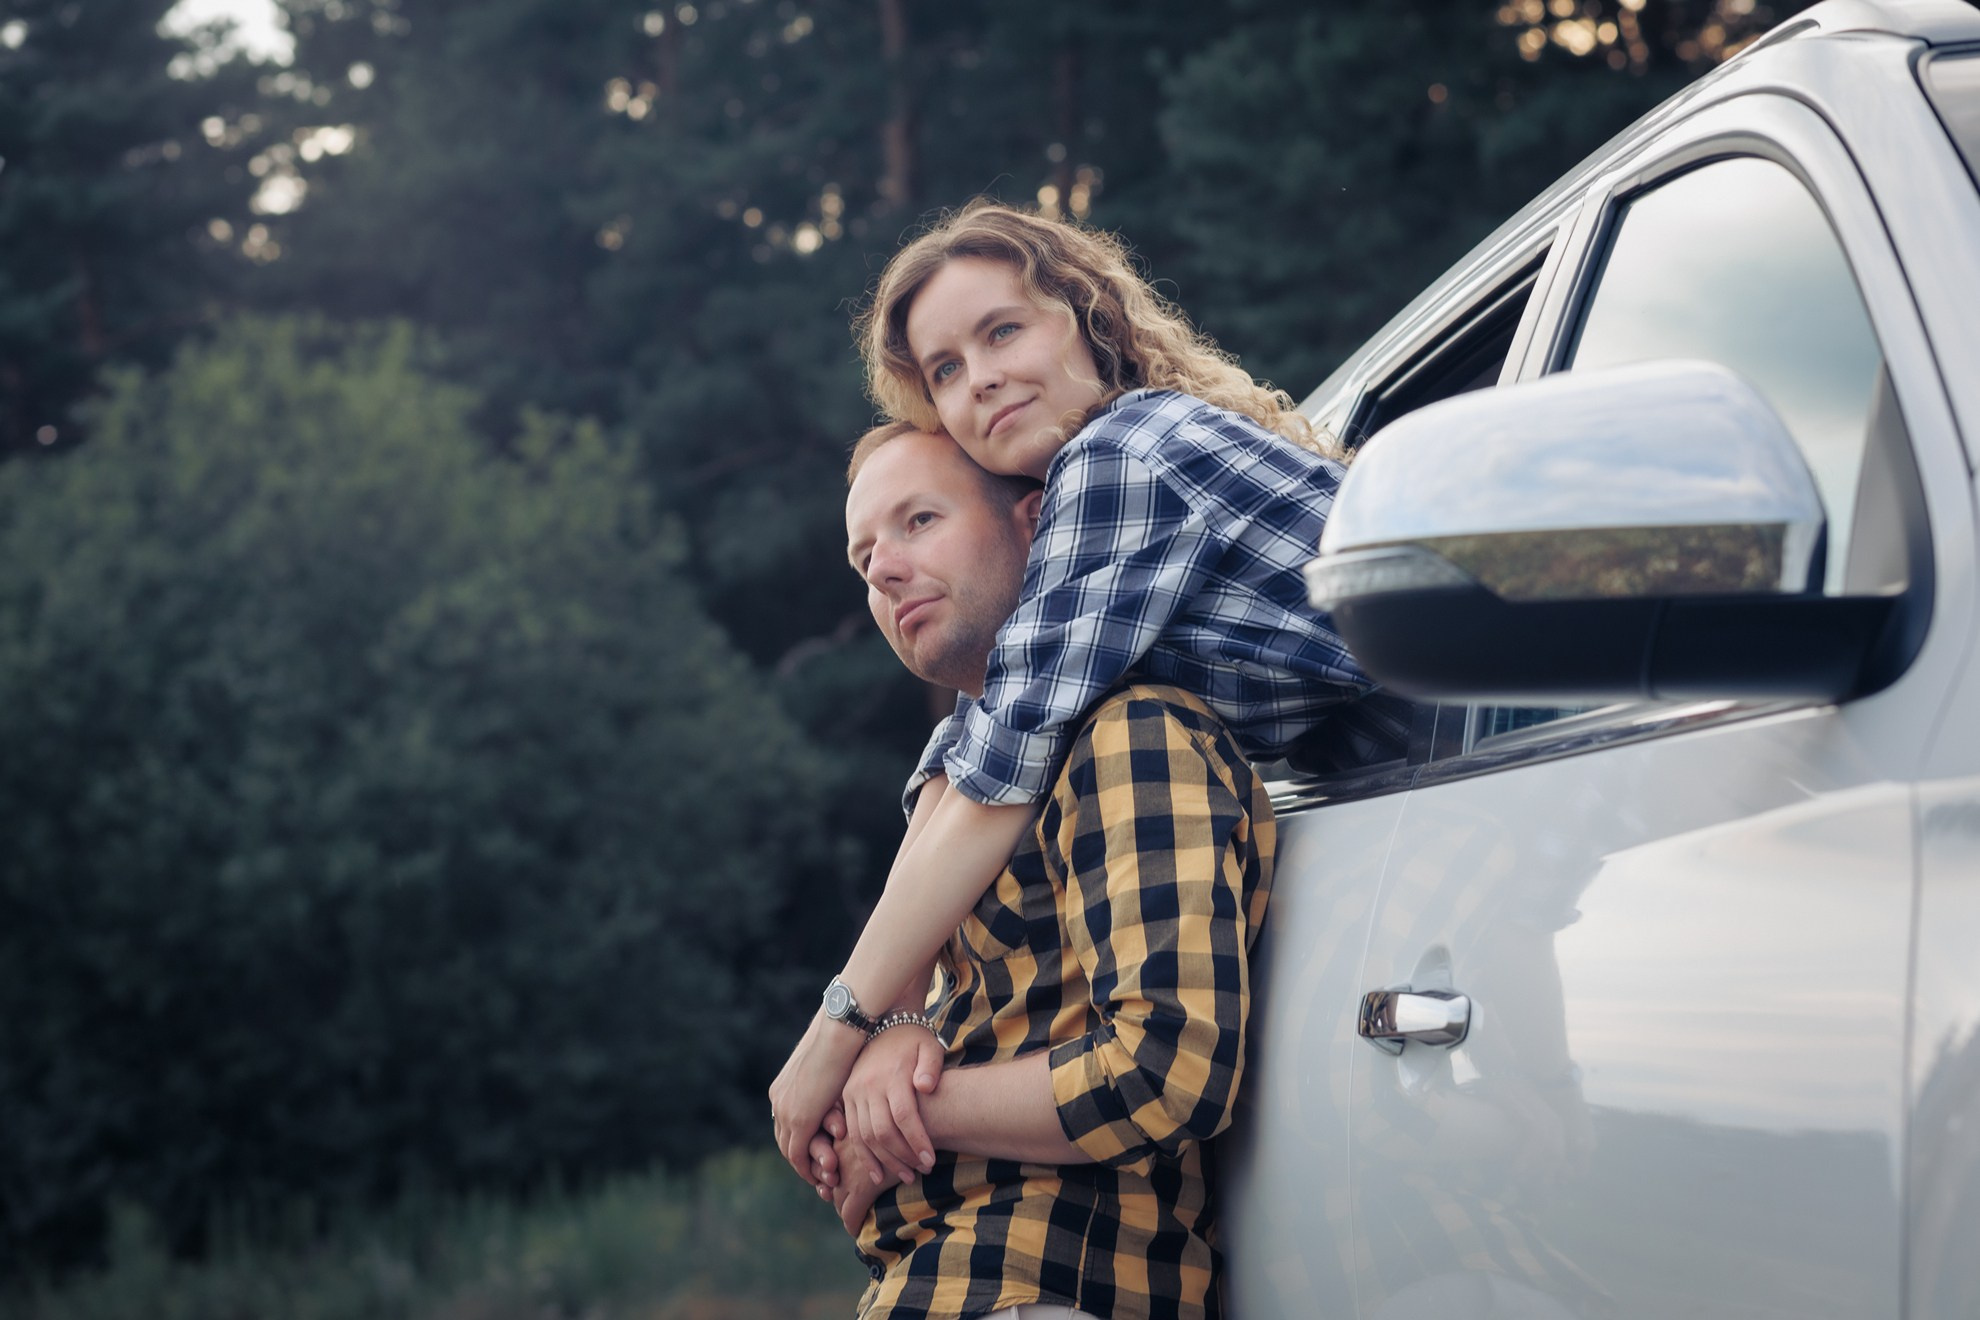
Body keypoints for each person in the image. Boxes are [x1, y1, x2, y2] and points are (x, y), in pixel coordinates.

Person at [771, 200, 1407, 1180]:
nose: (980, 378)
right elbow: (973, 750)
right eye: (944, 370)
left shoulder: (1125, 455)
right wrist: (896, 1014)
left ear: (1087, 316)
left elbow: (1000, 773)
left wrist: (834, 1034)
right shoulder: (1092, 523)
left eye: (1002, 331)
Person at [820, 421, 1273, 1319]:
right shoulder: (970, 791)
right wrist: (902, 1029)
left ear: (1037, 523)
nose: (883, 569)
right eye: (863, 555)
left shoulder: (1130, 732)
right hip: (954, 1274)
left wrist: (898, 1111)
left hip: (1040, 1277)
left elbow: (1165, 1068)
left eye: (918, 522)